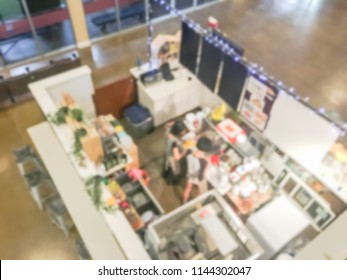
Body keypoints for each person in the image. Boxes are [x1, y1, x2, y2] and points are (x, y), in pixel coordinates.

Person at [183, 137, 212, 203]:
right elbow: (204, 173)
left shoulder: (189, 151)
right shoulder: (204, 161)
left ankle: (184, 202)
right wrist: (208, 162)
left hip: (190, 173)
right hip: (198, 177)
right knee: (202, 191)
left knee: (188, 188)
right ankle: (196, 202)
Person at [163, 120, 188, 185]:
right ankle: (170, 181)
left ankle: (165, 174)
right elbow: (177, 157)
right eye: (182, 131)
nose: (184, 132)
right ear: (178, 131)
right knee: (176, 171)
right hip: (172, 157)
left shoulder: (168, 130)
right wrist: (184, 152)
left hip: (167, 151)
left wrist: (177, 123)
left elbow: (167, 124)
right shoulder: (174, 142)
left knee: (167, 165)